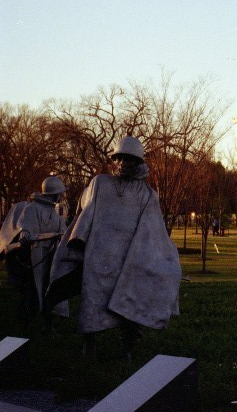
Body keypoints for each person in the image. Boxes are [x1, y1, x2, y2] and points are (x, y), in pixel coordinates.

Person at [46, 136, 182, 361]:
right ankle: (90, 342)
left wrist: (160, 260)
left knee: (129, 302)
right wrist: (79, 239)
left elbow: (153, 229)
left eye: (128, 160)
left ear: (138, 162)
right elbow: (85, 211)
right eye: (119, 159)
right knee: (93, 299)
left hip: (130, 258)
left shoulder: (148, 195)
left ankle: (126, 348)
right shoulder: (101, 183)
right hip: (99, 256)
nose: (123, 164)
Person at [0, 176, 68, 330]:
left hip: (50, 257)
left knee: (50, 290)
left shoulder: (54, 213)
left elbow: (63, 231)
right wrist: (27, 237)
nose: (61, 196)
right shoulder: (32, 208)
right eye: (60, 193)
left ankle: (47, 324)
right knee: (31, 291)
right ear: (54, 193)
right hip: (33, 258)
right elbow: (26, 230)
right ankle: (25, 324)